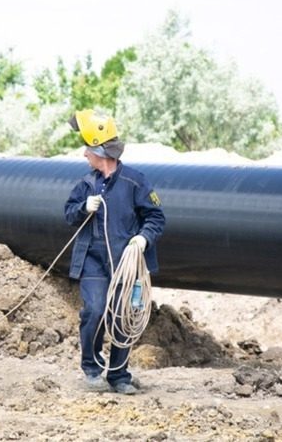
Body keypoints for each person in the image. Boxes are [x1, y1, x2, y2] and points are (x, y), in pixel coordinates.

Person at [64, 109, 165, 395]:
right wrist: (84, 208)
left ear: (100, 151)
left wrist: (143, 239)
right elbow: (68, 214)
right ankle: (92, 369)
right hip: (93, 262)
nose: (84, 155)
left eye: (88, 149)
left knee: (123, 316)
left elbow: (156, 218)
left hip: (127, 264)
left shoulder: (136, 182)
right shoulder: (86, 185)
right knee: (94, 311)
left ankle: (119, 376)